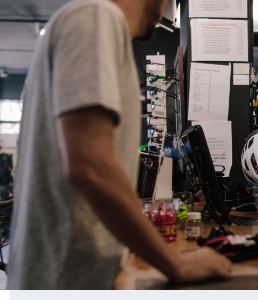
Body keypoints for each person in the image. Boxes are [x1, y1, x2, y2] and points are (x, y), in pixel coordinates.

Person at [8, 0, 231, 290]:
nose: (166, 8)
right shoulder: (97, 17)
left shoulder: (85, 20)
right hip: (67, 279)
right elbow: (90, 166)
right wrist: (176, 264)